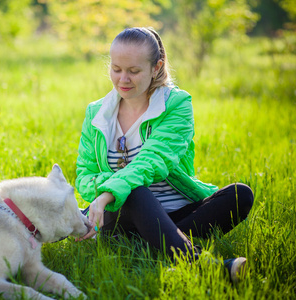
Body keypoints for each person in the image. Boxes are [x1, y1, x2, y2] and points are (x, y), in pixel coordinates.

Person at [75, 27, 254, 281]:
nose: (123, 79)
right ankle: (207, 267)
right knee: (134, 191)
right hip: (121, 217)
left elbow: (153, 160)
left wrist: (106, 193)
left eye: (134, 71)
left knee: (240, 195)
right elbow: (84, 175)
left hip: (175, 212)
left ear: (156, 67)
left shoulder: (177, 105)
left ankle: (156, 245)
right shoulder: (96, 114)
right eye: (116, 69)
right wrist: (106, 197)